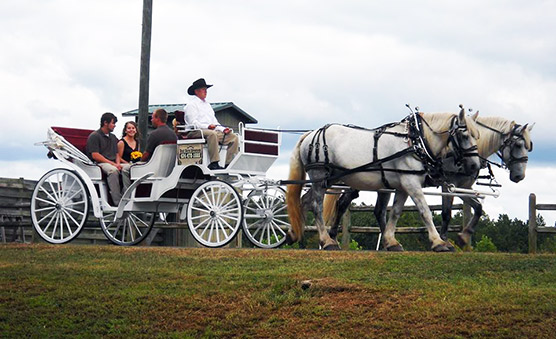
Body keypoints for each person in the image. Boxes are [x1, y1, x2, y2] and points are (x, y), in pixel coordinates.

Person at [184, 78, 239, 170]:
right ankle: (214, 162)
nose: (206, 91)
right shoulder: (191, 105)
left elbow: (214, 122)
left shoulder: (207, 105)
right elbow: (193, 123)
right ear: (196, 91)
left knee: (233, 137)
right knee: (212, 134)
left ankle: (227, 163)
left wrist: (223, 129)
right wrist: (207, 126)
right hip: (195, 132)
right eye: (203, 89)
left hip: (209, 131)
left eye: (206, 89)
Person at [86, 112, 130, 205]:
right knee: (113, 171)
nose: (114, 126)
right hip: (100, 163)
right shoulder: (94, 136)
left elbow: (117, 153)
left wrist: (117, 163)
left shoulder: (113, 137)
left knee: (129, 167)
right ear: (105, 123)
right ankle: (117, 201)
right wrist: (114, 164)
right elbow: (95, 155)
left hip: (112, 162)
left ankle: (127, 196)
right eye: (113, 123)